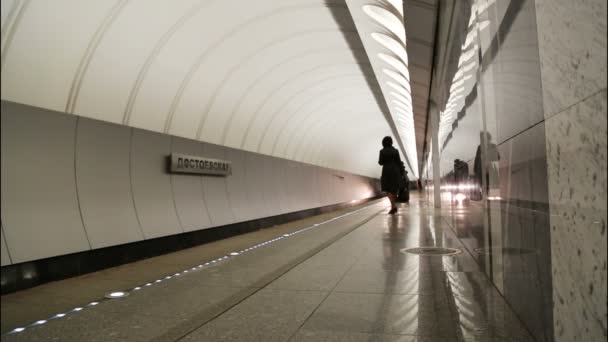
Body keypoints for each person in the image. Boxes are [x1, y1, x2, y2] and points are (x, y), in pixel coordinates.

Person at [378, 136, 402, 214]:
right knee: (394, 189)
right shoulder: (396, 151)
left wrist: (385, 160)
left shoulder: (382, 151)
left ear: (383, 142)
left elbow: (380, 162)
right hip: (395, 170)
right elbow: (399, 162)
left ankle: (393, 206)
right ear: (391, 142)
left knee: (387, 189)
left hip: (386, 171)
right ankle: (393, 206)